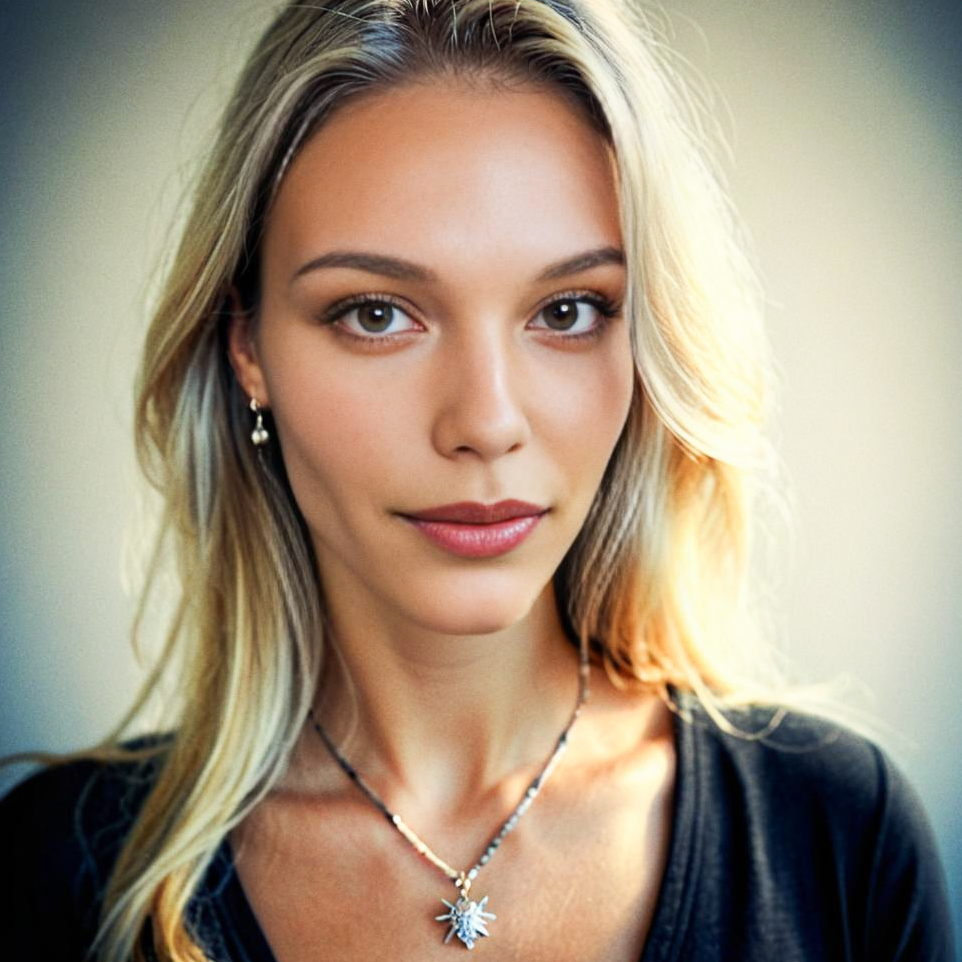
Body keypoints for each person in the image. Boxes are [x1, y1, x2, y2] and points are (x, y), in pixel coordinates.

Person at [0, 0, 954, 959]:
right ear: (248, 346)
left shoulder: (839, 836)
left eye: (570, 309)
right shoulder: (61, 872)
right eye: (377, 315)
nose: (487, 422)